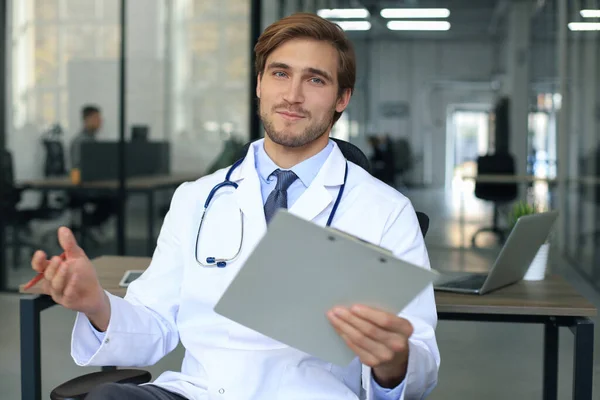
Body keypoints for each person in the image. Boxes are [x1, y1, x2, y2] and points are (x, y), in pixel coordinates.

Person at [30, 13, 439, 400]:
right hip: (201, 391)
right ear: (260, 83)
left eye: (315, 80)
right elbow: (154, 323)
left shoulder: (386, 210)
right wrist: (95, 303)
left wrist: (396, 361)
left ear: (342, 98)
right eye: (280, 73)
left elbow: (419, 353)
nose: (292, 95)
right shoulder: (197, 197)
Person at [70, 105, 103, 170]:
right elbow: (77, 166)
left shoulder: (92, 139)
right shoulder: (80, 141)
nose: (100, 121)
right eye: (96, 118)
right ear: (87, 119)